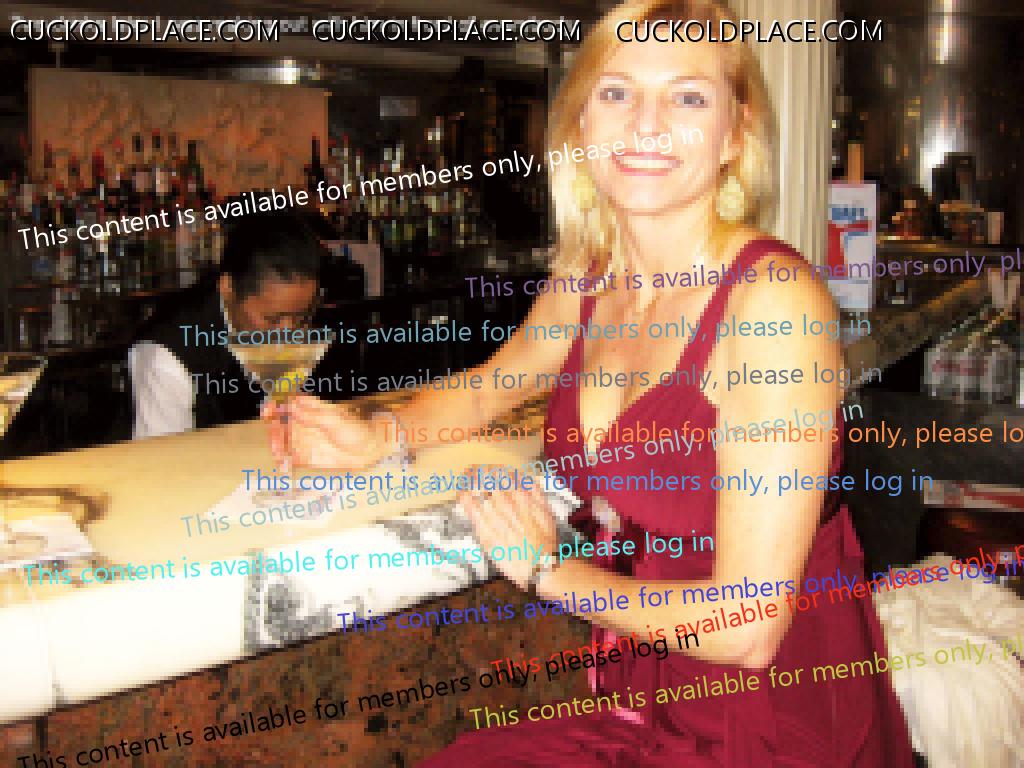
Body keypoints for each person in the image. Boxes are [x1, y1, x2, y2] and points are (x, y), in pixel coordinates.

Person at [266, 0, 917, 764]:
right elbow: (491, 386)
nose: (646, 123)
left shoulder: (772, 303)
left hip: (770, 715)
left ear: (736, 133)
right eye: (616, 92)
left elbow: (749, 628)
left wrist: (549, 570)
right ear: (581, 124)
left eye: (687, 96)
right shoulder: (588, 281)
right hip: (644, 694)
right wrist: (380, 435)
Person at [129, 211, 321, 439]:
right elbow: (163, 457)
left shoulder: (287, 325)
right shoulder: (166, 357)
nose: (287, 336)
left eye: (300, 318)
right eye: (271, 320)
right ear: (228, 288)